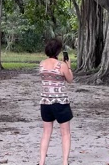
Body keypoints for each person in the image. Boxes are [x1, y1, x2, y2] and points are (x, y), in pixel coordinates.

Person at [39, 37, 73, 165]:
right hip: (60, 103)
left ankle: (41, 161)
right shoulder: (61, 65)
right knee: (65, 133)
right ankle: (64, 162)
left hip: (45, 102)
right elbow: (70, 79)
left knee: (46, 132)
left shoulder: (42, 64)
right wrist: (69, 67)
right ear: (58, 51)